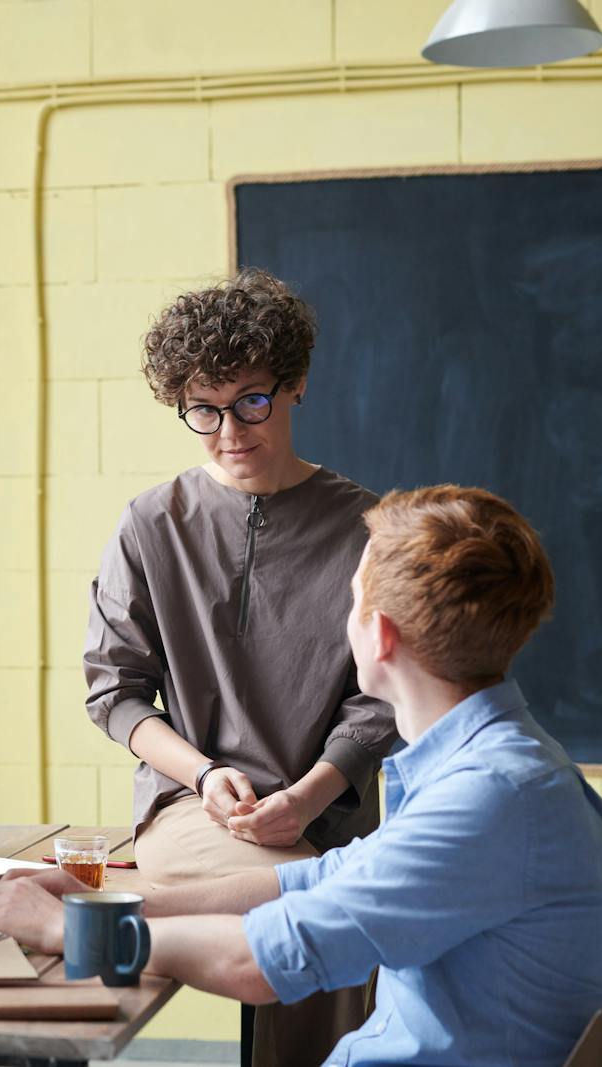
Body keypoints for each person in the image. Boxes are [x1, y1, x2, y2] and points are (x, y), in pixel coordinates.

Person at [0, 485, 602, 1067]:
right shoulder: (492, 768)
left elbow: (256, 962)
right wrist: (104, 897)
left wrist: (65, 931)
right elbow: (309, 878)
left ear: (382, 637)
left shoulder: (488, 799)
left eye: (351, 599)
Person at [85, 268, 395, 1062]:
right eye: (204, 411)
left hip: (330, 807)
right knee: (317, 920)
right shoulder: (152, 523)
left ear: (294, 386)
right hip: (196, 805)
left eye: (252, 401)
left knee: (339, 930)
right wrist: (201, 775)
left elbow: (381, 700)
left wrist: (311, 791)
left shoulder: (365, 528)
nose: (230, 431)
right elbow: (116, 692)